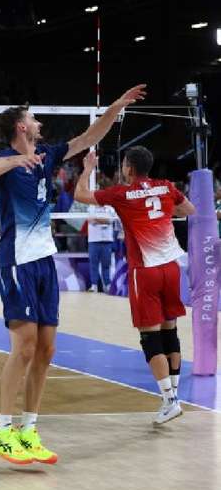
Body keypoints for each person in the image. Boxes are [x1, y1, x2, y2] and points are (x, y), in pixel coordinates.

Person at [0, 84, 146, 465]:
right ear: (20, 127)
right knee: (22, 346)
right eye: (32, 119)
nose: (38, 122)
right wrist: (14, 163)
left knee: (46, 349)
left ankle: (28, 429)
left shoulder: (47, 155)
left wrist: (115, 108)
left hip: (44, 261)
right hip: (17, 261)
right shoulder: (5, 161)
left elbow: (90, 136)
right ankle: (1, 429)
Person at [74, 148, 195, 424]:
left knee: (150, 338)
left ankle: (169, 401)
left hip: (146, 270)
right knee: (169, 332)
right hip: (171, 268)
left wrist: (88, 168)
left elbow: (80, 196)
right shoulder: (166, 187)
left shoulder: (121, 193)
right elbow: (189, 210)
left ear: (129, 168)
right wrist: (162, 212)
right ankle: (173, 395)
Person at [87, 199, 114, 292]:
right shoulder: (91, 208)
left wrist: (96, 219)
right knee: (93, 264)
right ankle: (94, 285)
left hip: (107, 240)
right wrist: (103, 220)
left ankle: (107, 285)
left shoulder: (110, 208)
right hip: (94, 240)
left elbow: (110, 220)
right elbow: (90, 220)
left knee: (106, 264)